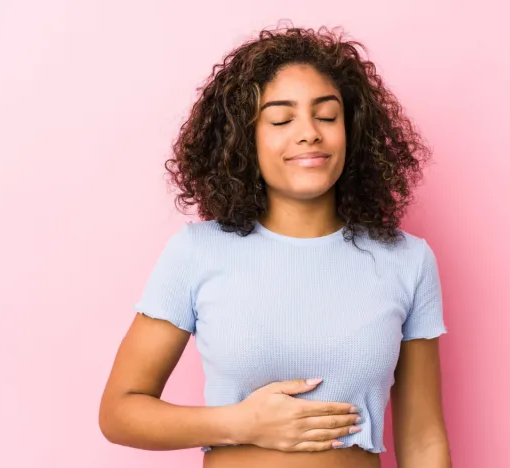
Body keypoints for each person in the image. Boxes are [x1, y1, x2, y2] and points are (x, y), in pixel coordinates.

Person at [99, 25, 452, 468]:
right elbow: (119, 411)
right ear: (245, 139)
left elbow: (422, 439)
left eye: (326, 116)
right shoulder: (197, 252)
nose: (309, 133)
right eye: (282, 119)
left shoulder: (407, 259)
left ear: (353, 131)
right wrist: (242, 424)